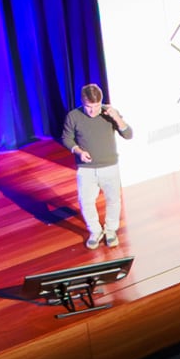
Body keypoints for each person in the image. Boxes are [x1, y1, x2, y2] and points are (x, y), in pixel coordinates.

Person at [61, 82, 134, 248]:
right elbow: (66, 138)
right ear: (82, 102)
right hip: (86, 168)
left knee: (113, 200)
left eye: (96, 106)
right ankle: (95, 230)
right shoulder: (74, 116)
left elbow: (128, 134)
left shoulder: (109, 113)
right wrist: (78, 151)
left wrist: (116, 117)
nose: (93, 110)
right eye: (89, 106)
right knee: (86, 201)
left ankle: (111, 230)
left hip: (109, 166)